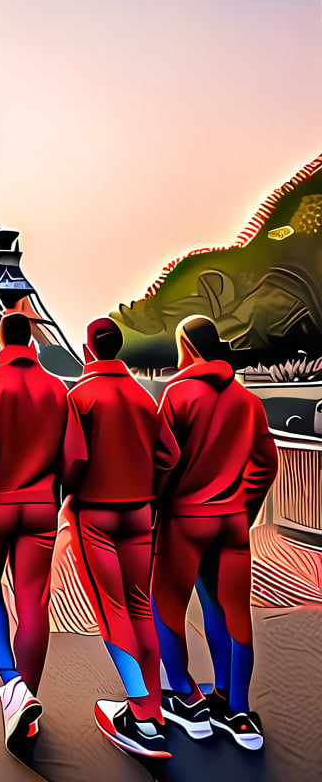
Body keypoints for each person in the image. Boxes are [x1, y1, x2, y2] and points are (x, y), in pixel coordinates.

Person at [152, 315, 278, 750]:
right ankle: (236, 710)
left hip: (185, 520)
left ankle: (186, 700)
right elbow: (266, 465)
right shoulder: (248, 401)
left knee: (165, 606)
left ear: (186, 344)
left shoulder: (178, 393)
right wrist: (243, 508)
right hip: (231, 521)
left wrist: (158, 508)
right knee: (229, 612)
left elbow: (163, 461)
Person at [0, 311, 85, 753]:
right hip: (40, 507)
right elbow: (75, 460)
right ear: (32, 338)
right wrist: (56, 492)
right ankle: (25, 707)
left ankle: (10, 683)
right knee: (33, 601)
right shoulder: (59, 388)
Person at [64, 317, 179, 761]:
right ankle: (152, 705)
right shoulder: (143, 396)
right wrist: (151, 490)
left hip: (96, 514)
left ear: (89, 349)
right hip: (140, 512)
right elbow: (170, 455)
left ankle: (140, 720)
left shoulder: (80, 397)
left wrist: (72, 493)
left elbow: (73, 461)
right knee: (138, 606)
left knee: (111, 612)